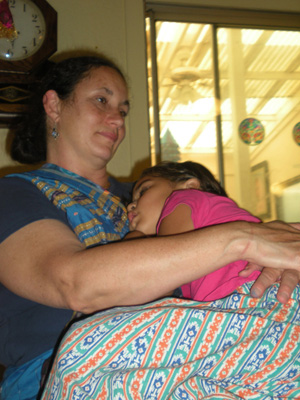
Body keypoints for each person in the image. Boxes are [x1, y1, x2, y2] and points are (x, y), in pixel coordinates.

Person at [0, 55, 300, 400]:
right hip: (56, 377)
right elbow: (75, 283)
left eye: (123, 111)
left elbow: (242, 244)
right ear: (54, 105)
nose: (117, 120)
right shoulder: (16, 194)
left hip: (202, 360)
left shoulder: (153, 195)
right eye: (102, 100)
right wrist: (243, 240)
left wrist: (278, 268)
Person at [126, 161, 262, 301]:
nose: (131, 205)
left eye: (143, 191)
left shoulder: (182, 198)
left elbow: (158, 275)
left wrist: (132, 242)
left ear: (190, 186)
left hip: (246, 293)